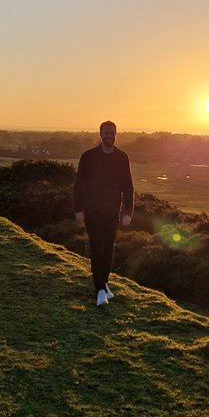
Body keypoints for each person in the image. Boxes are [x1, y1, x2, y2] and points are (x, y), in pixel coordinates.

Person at [73, 121, 134, 307]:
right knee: (97, 248)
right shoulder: (88, 157)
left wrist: (128, 212)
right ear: (100, 134)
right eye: (107, 133)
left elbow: (128, 188)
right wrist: (78, 210)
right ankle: (100, 290)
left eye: (113, 133)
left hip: (112, 212)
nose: (110, 136)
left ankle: (104, 284)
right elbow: (78, 185)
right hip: (92, 211)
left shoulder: (122, 158)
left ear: (116, 134)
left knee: (108, 250)